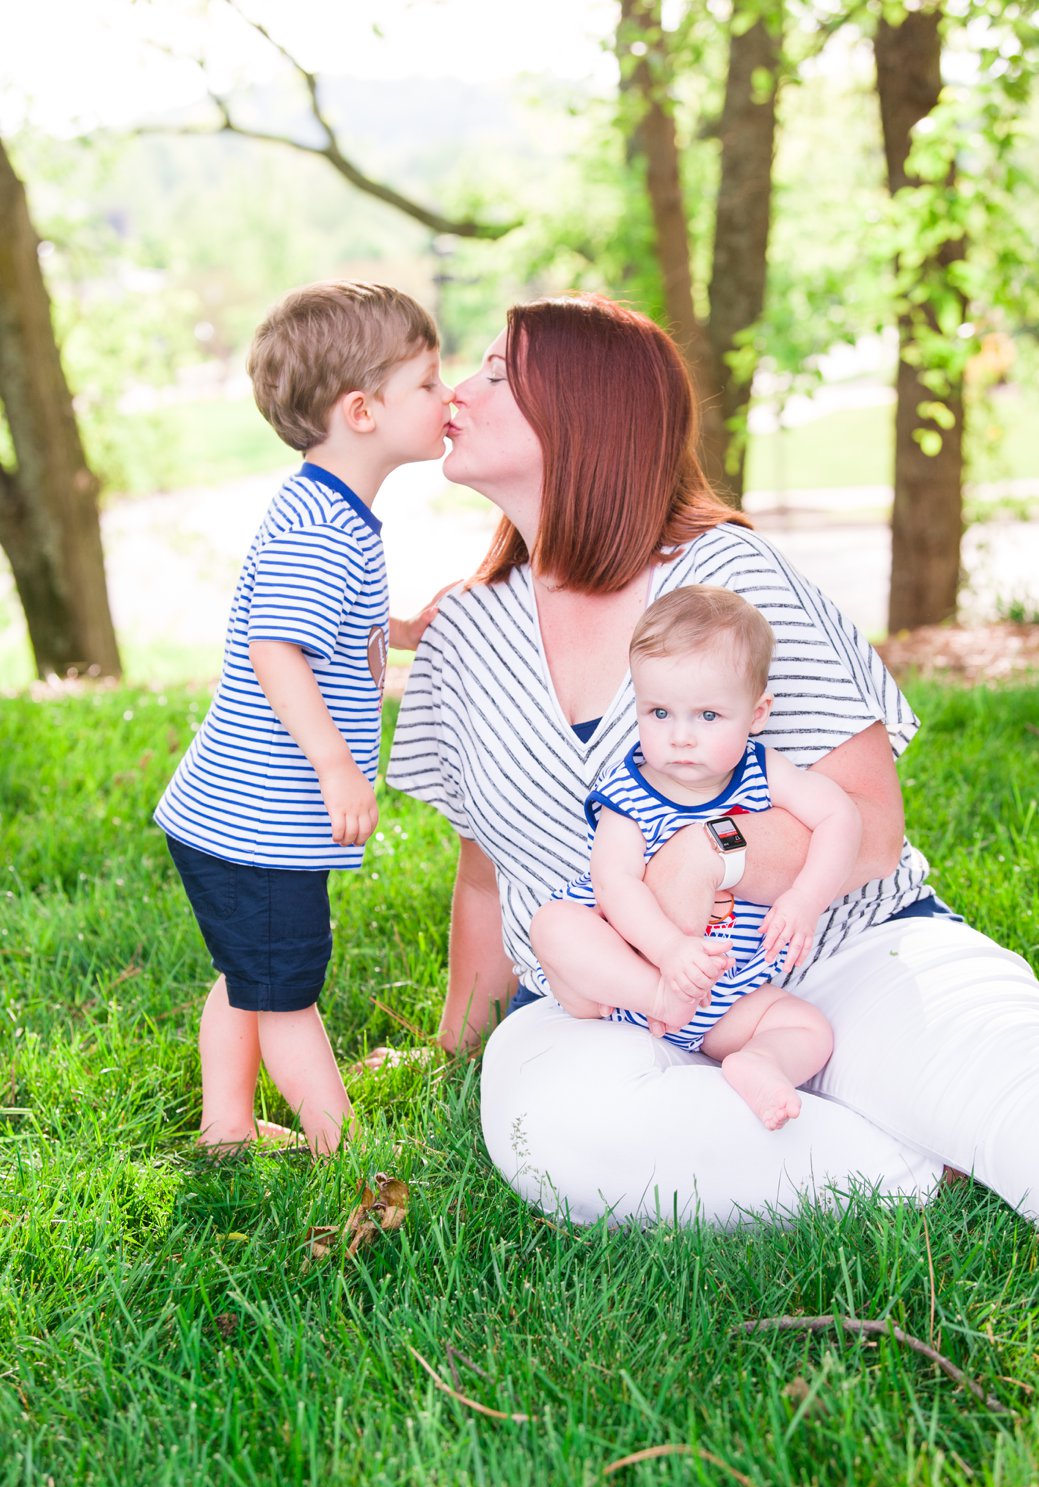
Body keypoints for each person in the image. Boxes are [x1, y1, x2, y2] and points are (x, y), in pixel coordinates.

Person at [387, 291, 1039, 1228]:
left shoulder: (725, 577)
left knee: (1012, 1089)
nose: (459, 390)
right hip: (619, 1008)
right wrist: (455, 1043)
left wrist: (712, 851)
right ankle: (919, 1170)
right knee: (557, 1135)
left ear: (582, 411)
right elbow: (487, 871)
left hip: (836, 952)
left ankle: (906, 1107)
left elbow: (867, 823)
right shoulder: (462, 632)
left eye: (496, 374)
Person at [156, 280, 453, 1154]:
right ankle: (342, 1148)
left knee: (249, 973)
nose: (448, 396)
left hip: (235, 820)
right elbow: (276, 648)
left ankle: (226, 1128)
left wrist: (397, 629)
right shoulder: (323, 529)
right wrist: (335, 766)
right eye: (428, 382)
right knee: (285, 992)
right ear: (362, 411)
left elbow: (314, 623)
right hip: (255, 824)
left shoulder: (326, 508)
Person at [529, 585, 862, 1130]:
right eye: (659, 712)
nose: (680, 737)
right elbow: (614, 883)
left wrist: (805, 898)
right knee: (555, 925)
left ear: (757, 714)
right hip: (629, 980)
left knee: (808, 1029)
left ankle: (760, 1063)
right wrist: (668, 957)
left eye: (708, 715)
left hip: (724, 996)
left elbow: (839, 816)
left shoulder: (762, 771)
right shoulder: (629, 794)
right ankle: (658, 1000)